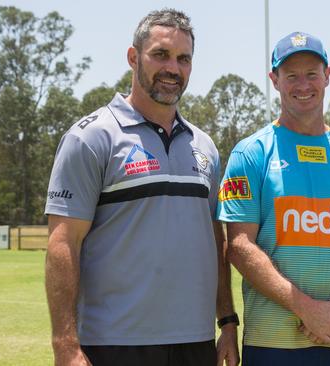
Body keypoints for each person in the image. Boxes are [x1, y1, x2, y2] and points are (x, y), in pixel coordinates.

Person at [44, 9, 239, 366]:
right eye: (161, 55)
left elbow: (216, 240)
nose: (173, 69)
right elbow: (63, 243)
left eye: (183, 59)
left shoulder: (205, 146)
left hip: (195, 342)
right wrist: (65, 346)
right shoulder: (90, 138)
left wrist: (226, 321)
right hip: (113, 344)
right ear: (133, 57)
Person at [216, 32, 330, 366]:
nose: (302, 84)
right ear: (274, 80)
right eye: (291, 75)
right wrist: (308, 310)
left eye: (312, 73)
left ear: (328, 76)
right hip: (273, 343)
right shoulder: (250, 154)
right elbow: (238, 246)